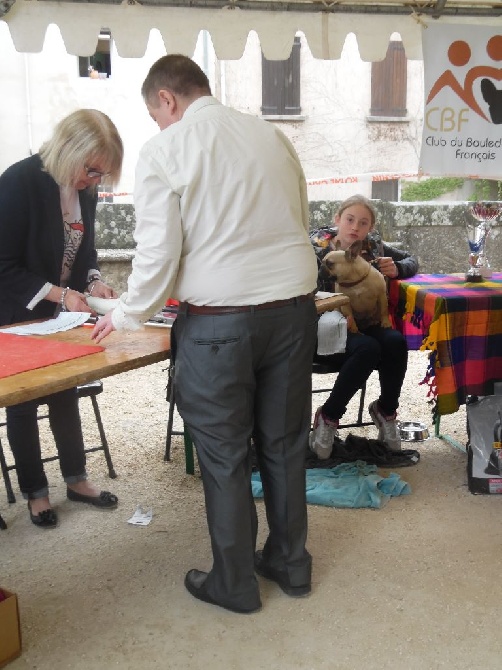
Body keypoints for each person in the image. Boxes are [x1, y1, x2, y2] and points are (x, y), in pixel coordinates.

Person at [92, 54, 318, 613]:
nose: (158, 124)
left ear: (166, 99)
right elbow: (298, 215)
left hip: (220, 323)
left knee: (223, 455)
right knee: (285, 446)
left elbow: (158, 254)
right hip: (292, 311)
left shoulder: (166, 149)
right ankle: (291, 564)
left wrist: (124, 315)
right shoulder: (272, 137)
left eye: (155, 113)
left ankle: (235, 583)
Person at [0, 109, 123, 529]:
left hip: (60, 314)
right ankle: (36, 493)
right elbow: (4, 266)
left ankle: (76, 480)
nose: (93, 181)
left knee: (66, 391)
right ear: (69, 151)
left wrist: (94, 282)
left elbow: (84, 250)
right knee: (23, 403)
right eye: (91, 170)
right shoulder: (18, 183)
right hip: (17, 313)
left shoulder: (83, 189)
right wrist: (62, 294)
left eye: (101, 175)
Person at [309, 194, 419, 458]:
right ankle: (328, 417)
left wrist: (397, 268)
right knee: (368, 349)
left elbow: (412, 260)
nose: (355, 227)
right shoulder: (314, 247)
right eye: (349, 219)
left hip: (366, 323)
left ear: (370, 228)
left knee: (394, 342)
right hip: (324, 327)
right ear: (337, 220)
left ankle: (386, 411)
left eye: (363, 222)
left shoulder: (374, 247)